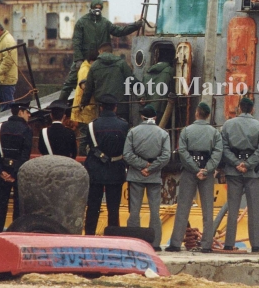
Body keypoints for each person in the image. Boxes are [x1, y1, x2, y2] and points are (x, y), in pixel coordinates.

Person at [58, 0, 142, 101]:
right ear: (91, 7)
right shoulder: (82, 23)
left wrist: (135, 26)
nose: (97, 10)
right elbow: (76, 42)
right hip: (85, 59)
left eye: (99, 8)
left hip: (100, 60)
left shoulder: (105, 23)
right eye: (95, 7)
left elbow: (119, 31)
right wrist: (79, 60)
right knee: (70, 82)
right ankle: (59, 106)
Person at [165, 102, 222, 253]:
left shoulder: (186, 131)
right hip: (207, 174)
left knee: (183, 207)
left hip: (189, 172)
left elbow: (182, 152)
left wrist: (195, 169)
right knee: (208, 209)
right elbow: (217, 153)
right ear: (208, 115)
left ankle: (175, 243)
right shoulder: (215, 132)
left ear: (197, 113)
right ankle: (206, 245)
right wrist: (206, 169)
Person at [221, 97, 259, 252]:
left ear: (239, 108)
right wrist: (248, 164)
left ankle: (228, 244)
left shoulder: (228, 125)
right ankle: (255, 245)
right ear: (252, 109)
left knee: (233, 208)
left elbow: (224, 147)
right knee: (255, 210)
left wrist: (236, 163)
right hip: (253, 172)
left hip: (233, 171)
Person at [123, 105, 170, 251]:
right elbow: (166, 155)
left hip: (136, 174)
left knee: (135, 210)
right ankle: (155, 243)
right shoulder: (163, 134)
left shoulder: (133, 132)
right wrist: (150, 168)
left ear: (142, 117)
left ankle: (133, 242)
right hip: (154, 175)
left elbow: (127, 154)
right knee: (155, 210)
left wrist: (142, 165)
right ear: (155, 117)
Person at [83, 94, 128, 235]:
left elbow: (88, 147)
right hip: (116, 169)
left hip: (95, 170)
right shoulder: (124, 125)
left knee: (93, 206)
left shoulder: (91, 125)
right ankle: (113, 236)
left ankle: (89, 234)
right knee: (113, 208)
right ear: (115, 108)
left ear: (101, 108)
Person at [0, 101, 33, 234]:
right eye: (27, 112)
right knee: (18, 207)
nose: (29, 115)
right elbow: (25, 155)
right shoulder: (26, 129)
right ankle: (15, 233)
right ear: (20, 112)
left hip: (2, 171)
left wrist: (0, 171)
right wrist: (13, 173)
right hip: (17, 173)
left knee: (0, 205)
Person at [80, 42, 132, 111]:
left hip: (102, 106)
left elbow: (89, 88)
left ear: (100, 51)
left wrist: (83, 103)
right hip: (120, 106)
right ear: (111, 51)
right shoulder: (122, 63)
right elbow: (132, 80)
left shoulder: (94, 66)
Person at [71, 49, 99, 156]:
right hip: (84, 110)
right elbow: (84, 86)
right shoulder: (85, 70)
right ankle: (82, 158)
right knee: (83, 137)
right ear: (92, 61)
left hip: (86, 109)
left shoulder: (87, 68)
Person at [0, 20, 18, 111]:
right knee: (6, 104)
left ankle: (9, 122)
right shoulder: (2, 40)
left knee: (7, 106)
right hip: (3, 79)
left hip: (6, 80)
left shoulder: (7, 42)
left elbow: (8, 62)